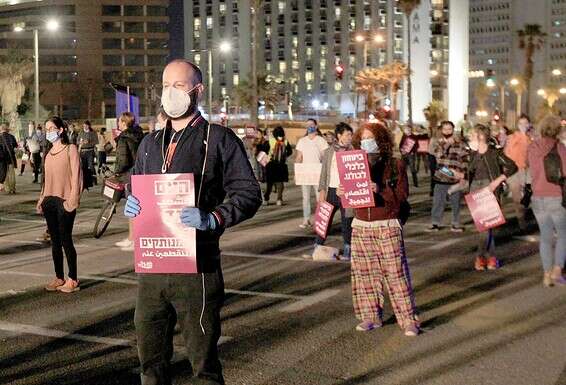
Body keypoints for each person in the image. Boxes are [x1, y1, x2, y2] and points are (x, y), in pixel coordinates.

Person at [123, 59, 262, 385]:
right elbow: (136, 183)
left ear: (198, 91)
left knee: (203, 365)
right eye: (166, 86)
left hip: (197, 270)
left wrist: (214, 218)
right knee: (150, 360)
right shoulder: (149, 143)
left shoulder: (219, 139)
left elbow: (248, 193)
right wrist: (133, 202)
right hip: (152, 270)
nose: (171, 93)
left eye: (179, 86)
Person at [340, 122, 419, 336]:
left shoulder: (395, 165)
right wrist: (344, 192)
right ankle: (371, 316)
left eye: (371, 138)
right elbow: (352, 198)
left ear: (381, 141)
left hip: (387, 224)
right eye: (363, 138)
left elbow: (401, 197)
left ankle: (408, 318)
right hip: (361, 226)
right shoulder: (353, 163)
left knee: (395, 273)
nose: (366, 142)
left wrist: (380, 190)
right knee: (365, 275)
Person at [36, 116, 83, 293]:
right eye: (46, 129)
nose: (48, 132)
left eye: (51, 129)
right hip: (49, 201)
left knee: (66, 240)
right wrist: (42, 199)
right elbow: (46, 180)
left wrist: (72, 201)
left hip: (65, 202)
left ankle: (73, 279)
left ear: (60, 130)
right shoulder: (48, 154)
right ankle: (59, 277)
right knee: (55, 242)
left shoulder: (70, 149)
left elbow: (77, 177)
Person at [467, 124, 518, 271]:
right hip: (475, 189)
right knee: (485, 227)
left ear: (481, 137)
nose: (470, 137)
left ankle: (481, 257)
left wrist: (497, 181)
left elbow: (512, 167)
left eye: (473, 135)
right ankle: (491, 258)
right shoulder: (472, 154)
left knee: (485, 227)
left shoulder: (494, 153)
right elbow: (468, 174)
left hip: (489, 188)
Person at [527, 115, 566, 286]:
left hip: (538, 196)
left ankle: (546, 273)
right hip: (557, 195)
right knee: (563, 235)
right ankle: (558, 269)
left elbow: (528, 166)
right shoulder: (561, 148)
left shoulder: (532, 147)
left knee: (545, 236)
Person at [310, 122, 354, 260]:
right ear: (339, 135)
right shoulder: (329, 152)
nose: (350, 137)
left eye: (351, 135)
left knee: (347, 221)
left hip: (346, 193)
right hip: (330, 191)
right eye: (347, 134)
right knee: (324, 220)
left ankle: (348, 248)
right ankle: (317, 246)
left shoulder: (354, 152)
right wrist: (321, 191)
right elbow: (324, 173)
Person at [426, 121, 469, 232]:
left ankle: (455, 223)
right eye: (445, 129)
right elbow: (438, 155)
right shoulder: (437, 142)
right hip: (441, 176)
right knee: (438, 202)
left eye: (449, 129)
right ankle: (435, 223)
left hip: (455, 179)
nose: (447, 131)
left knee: (456, 203)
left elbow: (464, 159)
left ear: (453, 130)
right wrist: (447, 144)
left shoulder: (460, 144)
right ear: (441, 130)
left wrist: (462, 174)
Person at [113, 112, 144, 252]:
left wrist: (117, 171)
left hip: (129, 175)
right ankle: (134, 237)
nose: (118, 123)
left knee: (131, 208)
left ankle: (133, 239)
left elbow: (122, 159)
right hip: (140, 173)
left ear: (124, 123)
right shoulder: (139, 135)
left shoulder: (123, 138)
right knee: (138, 207)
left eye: (119, 121)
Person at [295, 118, 329, 228]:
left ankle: (320, 220)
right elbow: (299, 157)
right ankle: (306, 219)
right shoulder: (302, 141)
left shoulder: (321, 140)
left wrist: (326, 172)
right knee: (306, 198)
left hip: (317, 173)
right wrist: (297, 173)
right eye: (307, 125)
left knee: (320, 198)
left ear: (316, 126)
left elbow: (325, 157)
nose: (309, 126)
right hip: (305, 173)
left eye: (311, 124)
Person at [504, 114, 532, 232]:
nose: (523, 125)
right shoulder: (513, 137)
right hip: (514, 170)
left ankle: (522, 216)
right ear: (517, 125)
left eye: (526, 123)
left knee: (527, 196)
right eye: (521, 123)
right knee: (517, 197)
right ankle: (522, 223)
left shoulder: (530, 139)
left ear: (529, 124)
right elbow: (507, 153)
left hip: (526, 170)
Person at [264, 126, 292, 206]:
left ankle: (266, 199)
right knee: (280, 182)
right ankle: (279, 199)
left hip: (271, 164)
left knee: (269, 183)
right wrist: (283, 155)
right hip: (281, 165)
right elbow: (290, 151)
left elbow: (264, 150)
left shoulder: (270, 141)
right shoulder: (285, 141)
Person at [78, 120, 98, 189]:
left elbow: (96, 141)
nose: (85, 127)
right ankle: (86, 181)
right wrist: (81, 142)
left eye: (86, 125)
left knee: (91, 165)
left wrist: (89, 142)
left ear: (89, 125)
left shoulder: (93, 133)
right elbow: (77, 141)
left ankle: (94, 179)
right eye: (84, 125)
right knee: (84, 166)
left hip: (90, 151)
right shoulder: (81, 133)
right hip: (83, 151)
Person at [0, 124, 18, 194]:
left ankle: (7, 189)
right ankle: (13, 189)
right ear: (7, 129)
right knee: (12, 173)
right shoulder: (11, 136)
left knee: (5, 173)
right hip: (11, 158)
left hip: (2, 159)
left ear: (1, 129)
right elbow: (16, 146)